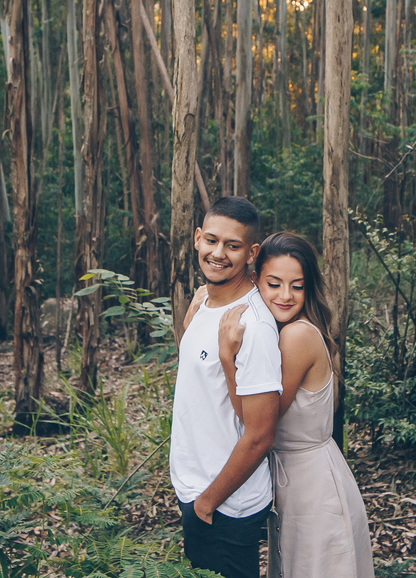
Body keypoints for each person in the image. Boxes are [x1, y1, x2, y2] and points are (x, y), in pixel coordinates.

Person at [212, 231, 375, 578]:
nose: (286, 296)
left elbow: (254, 422)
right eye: (274, 284)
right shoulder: (280, 330)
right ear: (256, 281)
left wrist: (228, 358)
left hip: (314, 490)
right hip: (299, 483)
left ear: (309, 287)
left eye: (297, 286)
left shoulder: (296, 335)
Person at [170, 196, 282, 578]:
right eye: (212, 240)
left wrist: (207, 503)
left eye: (232, 246)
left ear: (251, 252)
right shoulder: (203, 301)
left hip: (226, 506)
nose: (218, 253)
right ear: (197, 238)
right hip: (196, 491)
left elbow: (261, 434)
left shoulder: (254, 325)